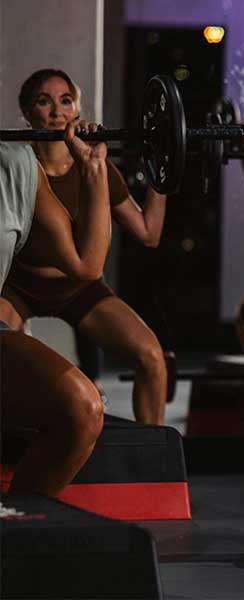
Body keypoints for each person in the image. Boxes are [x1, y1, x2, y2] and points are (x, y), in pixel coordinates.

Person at [0, 69, 169, 424]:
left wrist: (162, 173)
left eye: (65, 101)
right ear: (27, 110)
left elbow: (148, 232)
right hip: (19, 287)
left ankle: (152, 464)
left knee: (151, 356)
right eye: (44, 101)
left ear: (77, 109)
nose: (56, 110)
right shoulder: (18, 170)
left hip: (80, 289)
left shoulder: (97, 168)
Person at [0, 119, 107, 497]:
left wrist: (93, 168)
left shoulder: (15, 165)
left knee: (82, 408)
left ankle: (15, 531)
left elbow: (86, 265)